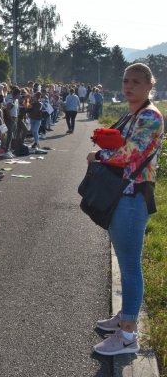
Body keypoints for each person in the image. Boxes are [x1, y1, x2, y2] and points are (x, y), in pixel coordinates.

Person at [88, 63, 163, 356]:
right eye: (125, 81)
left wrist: (98, 155)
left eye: (135, 82)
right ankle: (125, 317)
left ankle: (129, 336)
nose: (128, 86)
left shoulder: (151, 116)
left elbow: (130, 155)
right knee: (125, 262)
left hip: (133, 200)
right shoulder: (134, 113)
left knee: (131, 268)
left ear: (148, 86)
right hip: (122, 197)